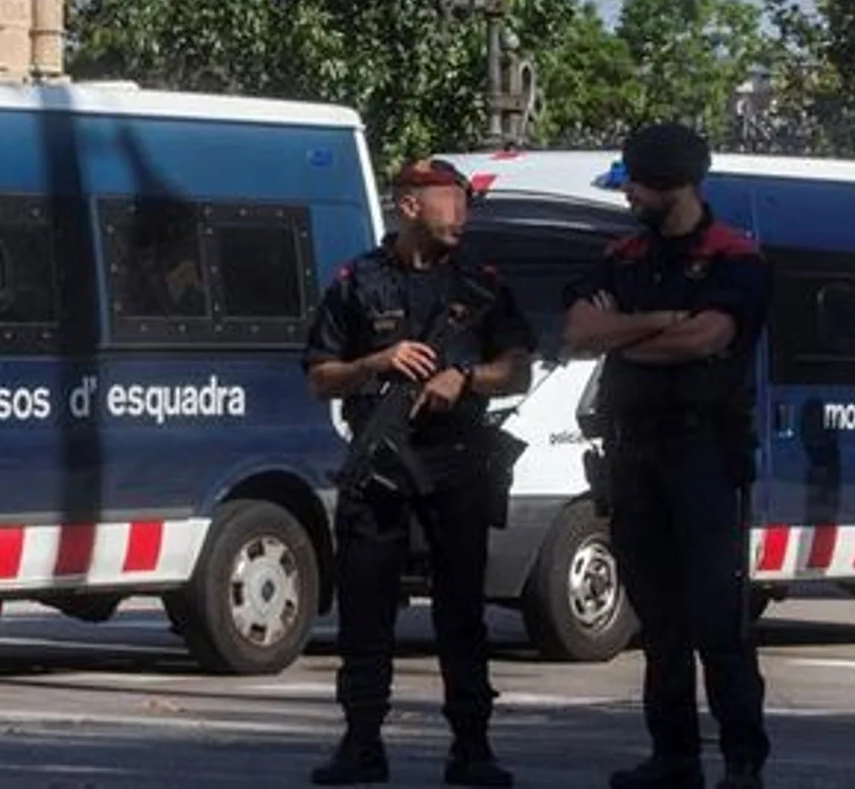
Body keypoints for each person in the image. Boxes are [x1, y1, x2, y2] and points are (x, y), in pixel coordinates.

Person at [302, 158, 536, 787]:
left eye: (464, 201)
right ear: (410, 205)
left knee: (462, 610)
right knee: (365, 609)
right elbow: (318, 374)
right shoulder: (358, 281)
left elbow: (518, 367)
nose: (460, 213)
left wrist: (466, 379)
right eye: (448, 201)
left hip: (456, 460)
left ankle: (472, 748)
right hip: (381, 463)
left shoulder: (480, 284)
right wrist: (375, 361)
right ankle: (361, 743)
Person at [560, 122, 773, 789]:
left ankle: (742, 760)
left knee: (717, 616)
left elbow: (710, 338)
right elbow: (579, 332)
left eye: (637, 185)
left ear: (672, 185)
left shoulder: (734, 256)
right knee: (658, 618)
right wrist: (662, 323)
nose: (629, 198)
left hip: (704, 451)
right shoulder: (623, 256)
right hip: (634, 453)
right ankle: (674, 756)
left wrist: (629, 334)